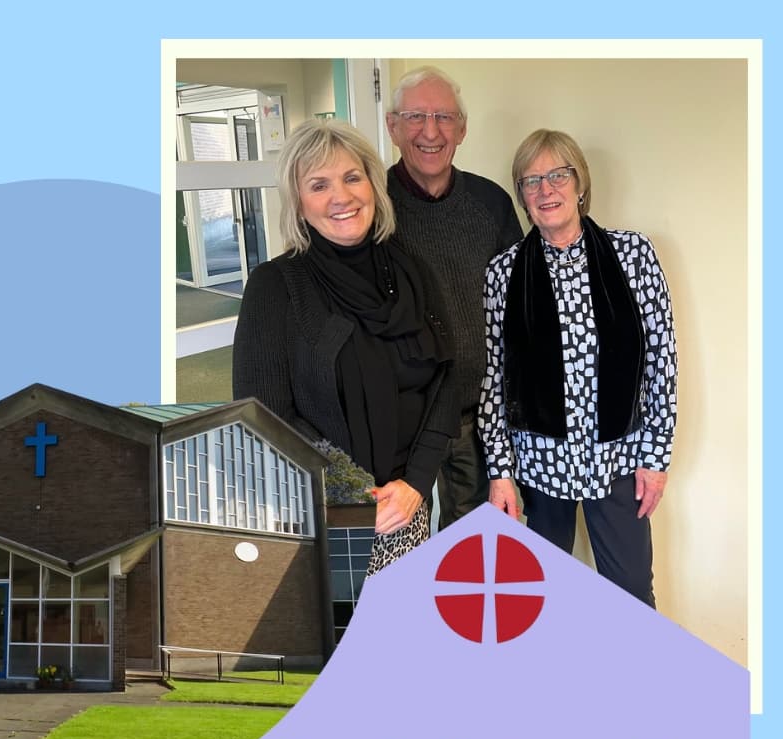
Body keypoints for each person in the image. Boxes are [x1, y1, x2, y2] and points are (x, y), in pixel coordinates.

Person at [232, 119, 460, 575]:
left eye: (352, 177)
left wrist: (416, 484)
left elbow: (445, 379)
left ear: (373, 185)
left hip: (405, 511)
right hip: (322, 517)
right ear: (298, 203)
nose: (342, 196)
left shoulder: (413, 271)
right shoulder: (276, 287)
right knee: (336, 644)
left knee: (399, 640)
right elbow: (263, 417)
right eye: (319, 184)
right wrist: (354, 493)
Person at [478, 129, 677, 607]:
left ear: (579, 184)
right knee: (535, 599)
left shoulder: (633, 254)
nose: (546, 190)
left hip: (617, 457)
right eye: (531, 181)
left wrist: (656, 457)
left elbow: (662, 360)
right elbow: (493, 380)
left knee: (630, 591)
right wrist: (501, 473)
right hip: (539, 465)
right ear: (522, 196)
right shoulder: (503, 273)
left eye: (557, 175)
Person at [385, 65, 523, 530]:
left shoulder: (492, 204)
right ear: (393, 126)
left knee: (467, 549)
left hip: (476, 417)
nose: (430, 131)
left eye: (444, 117)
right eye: (416, 116)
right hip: (401, 423)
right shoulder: (371, 207)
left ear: (462, 129)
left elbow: (517, 305)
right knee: (399, 549)